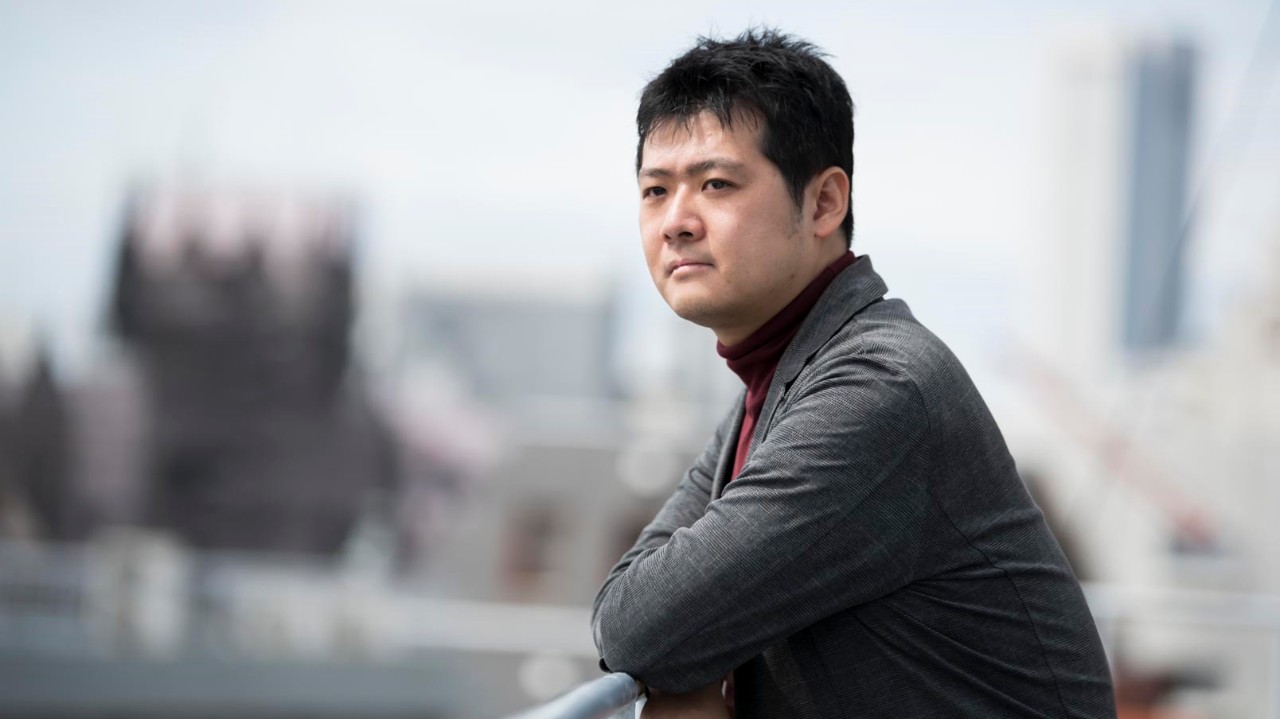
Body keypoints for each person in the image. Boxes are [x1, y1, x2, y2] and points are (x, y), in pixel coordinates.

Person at [591, 28, 1116, 718]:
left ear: (824, 203)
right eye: (655, 190)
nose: (676, 222)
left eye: (716, 184)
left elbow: (640, 629)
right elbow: (638, 611)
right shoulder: (780, 385)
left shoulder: (877, 388)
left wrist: (684, 656)